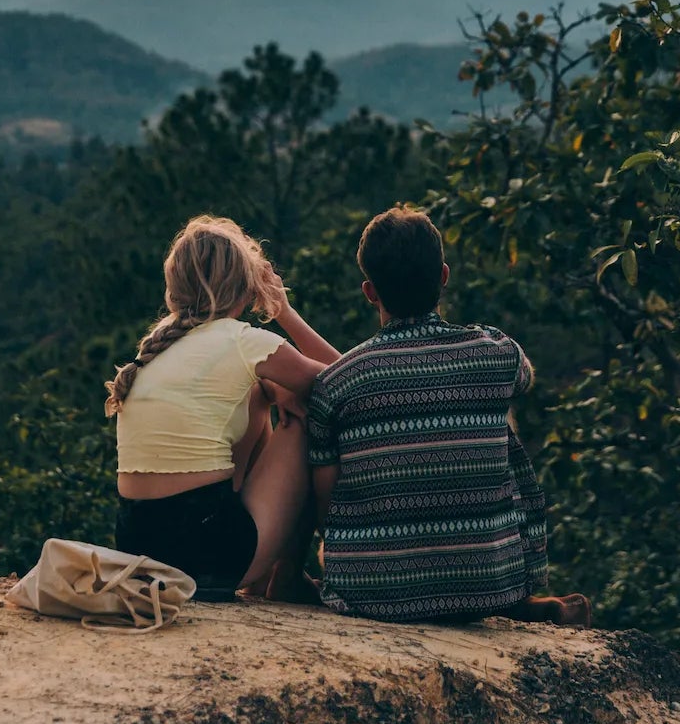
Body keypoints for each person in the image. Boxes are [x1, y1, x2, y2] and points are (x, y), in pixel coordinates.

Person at [306, 206, 590, 625]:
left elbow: (324, 503)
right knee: (496, 420)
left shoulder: (336, 383)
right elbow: (524, 377)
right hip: (490, 582)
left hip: (373, 593)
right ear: (444, 276)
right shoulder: (495, 351)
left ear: (369, 292)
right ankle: (502, 588)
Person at [107, 215, 339, 599]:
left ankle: (274, 578)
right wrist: (285, 313)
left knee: (259, 391)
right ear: (246, 288)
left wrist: (271, 388)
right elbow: (351, 382)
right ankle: (286, 575)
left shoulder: (155, 351)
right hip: (210, 557)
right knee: (305, 418)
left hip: (138, 552)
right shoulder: (241, 342)